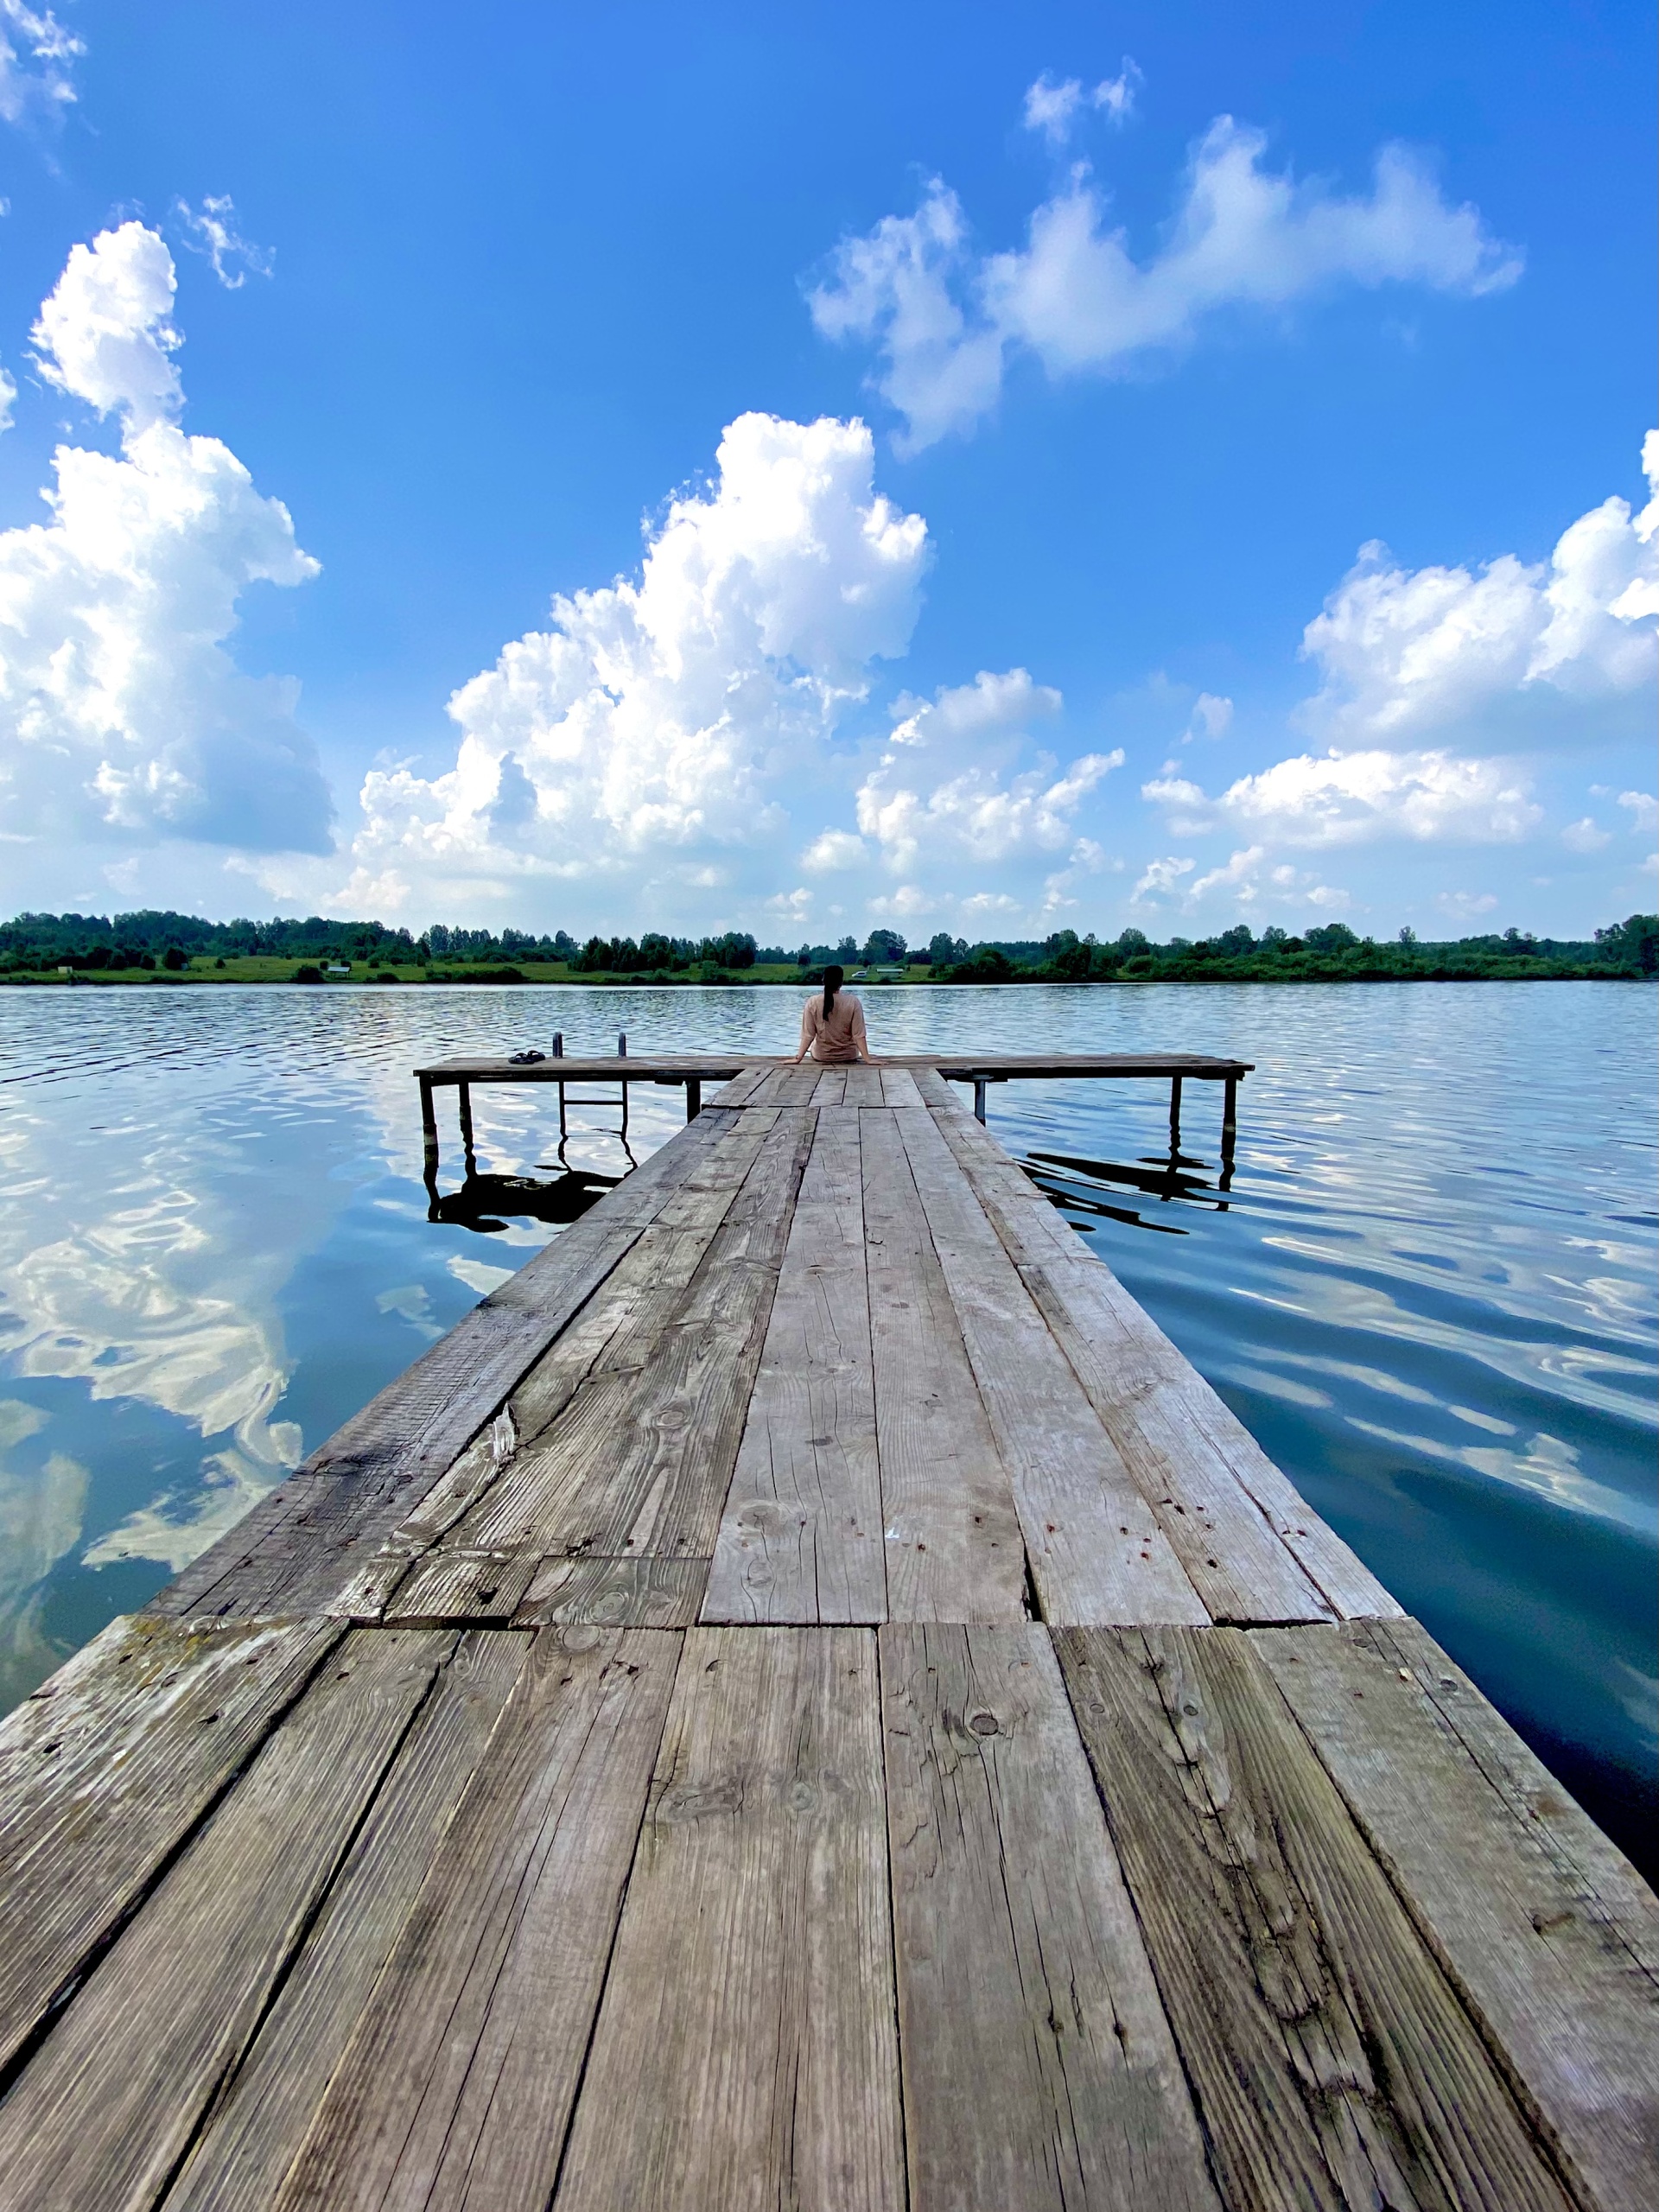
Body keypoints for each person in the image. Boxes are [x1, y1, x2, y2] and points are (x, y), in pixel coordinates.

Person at [795, 964, 876, 1065]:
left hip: (822, 1055)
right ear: (841, 982)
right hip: (849, 1055)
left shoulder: (813, 1002)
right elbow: (858, 1035)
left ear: (823, 980)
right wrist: (868, 1059)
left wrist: (798, 1058)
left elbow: (808, 1035)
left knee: (815, 1047)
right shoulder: (853, 1002)